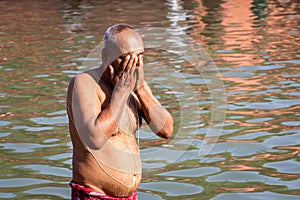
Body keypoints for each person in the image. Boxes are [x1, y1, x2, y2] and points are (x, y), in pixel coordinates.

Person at [66, 24, 174, 200]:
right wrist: (121, 92)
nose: (134, 64)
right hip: (94, 195)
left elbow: (166, 130)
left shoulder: (136, 84)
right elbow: (94, 139)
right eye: (126, 58)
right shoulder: (84, 83)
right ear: (106, 57)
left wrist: (140, 89)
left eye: (139, 57)